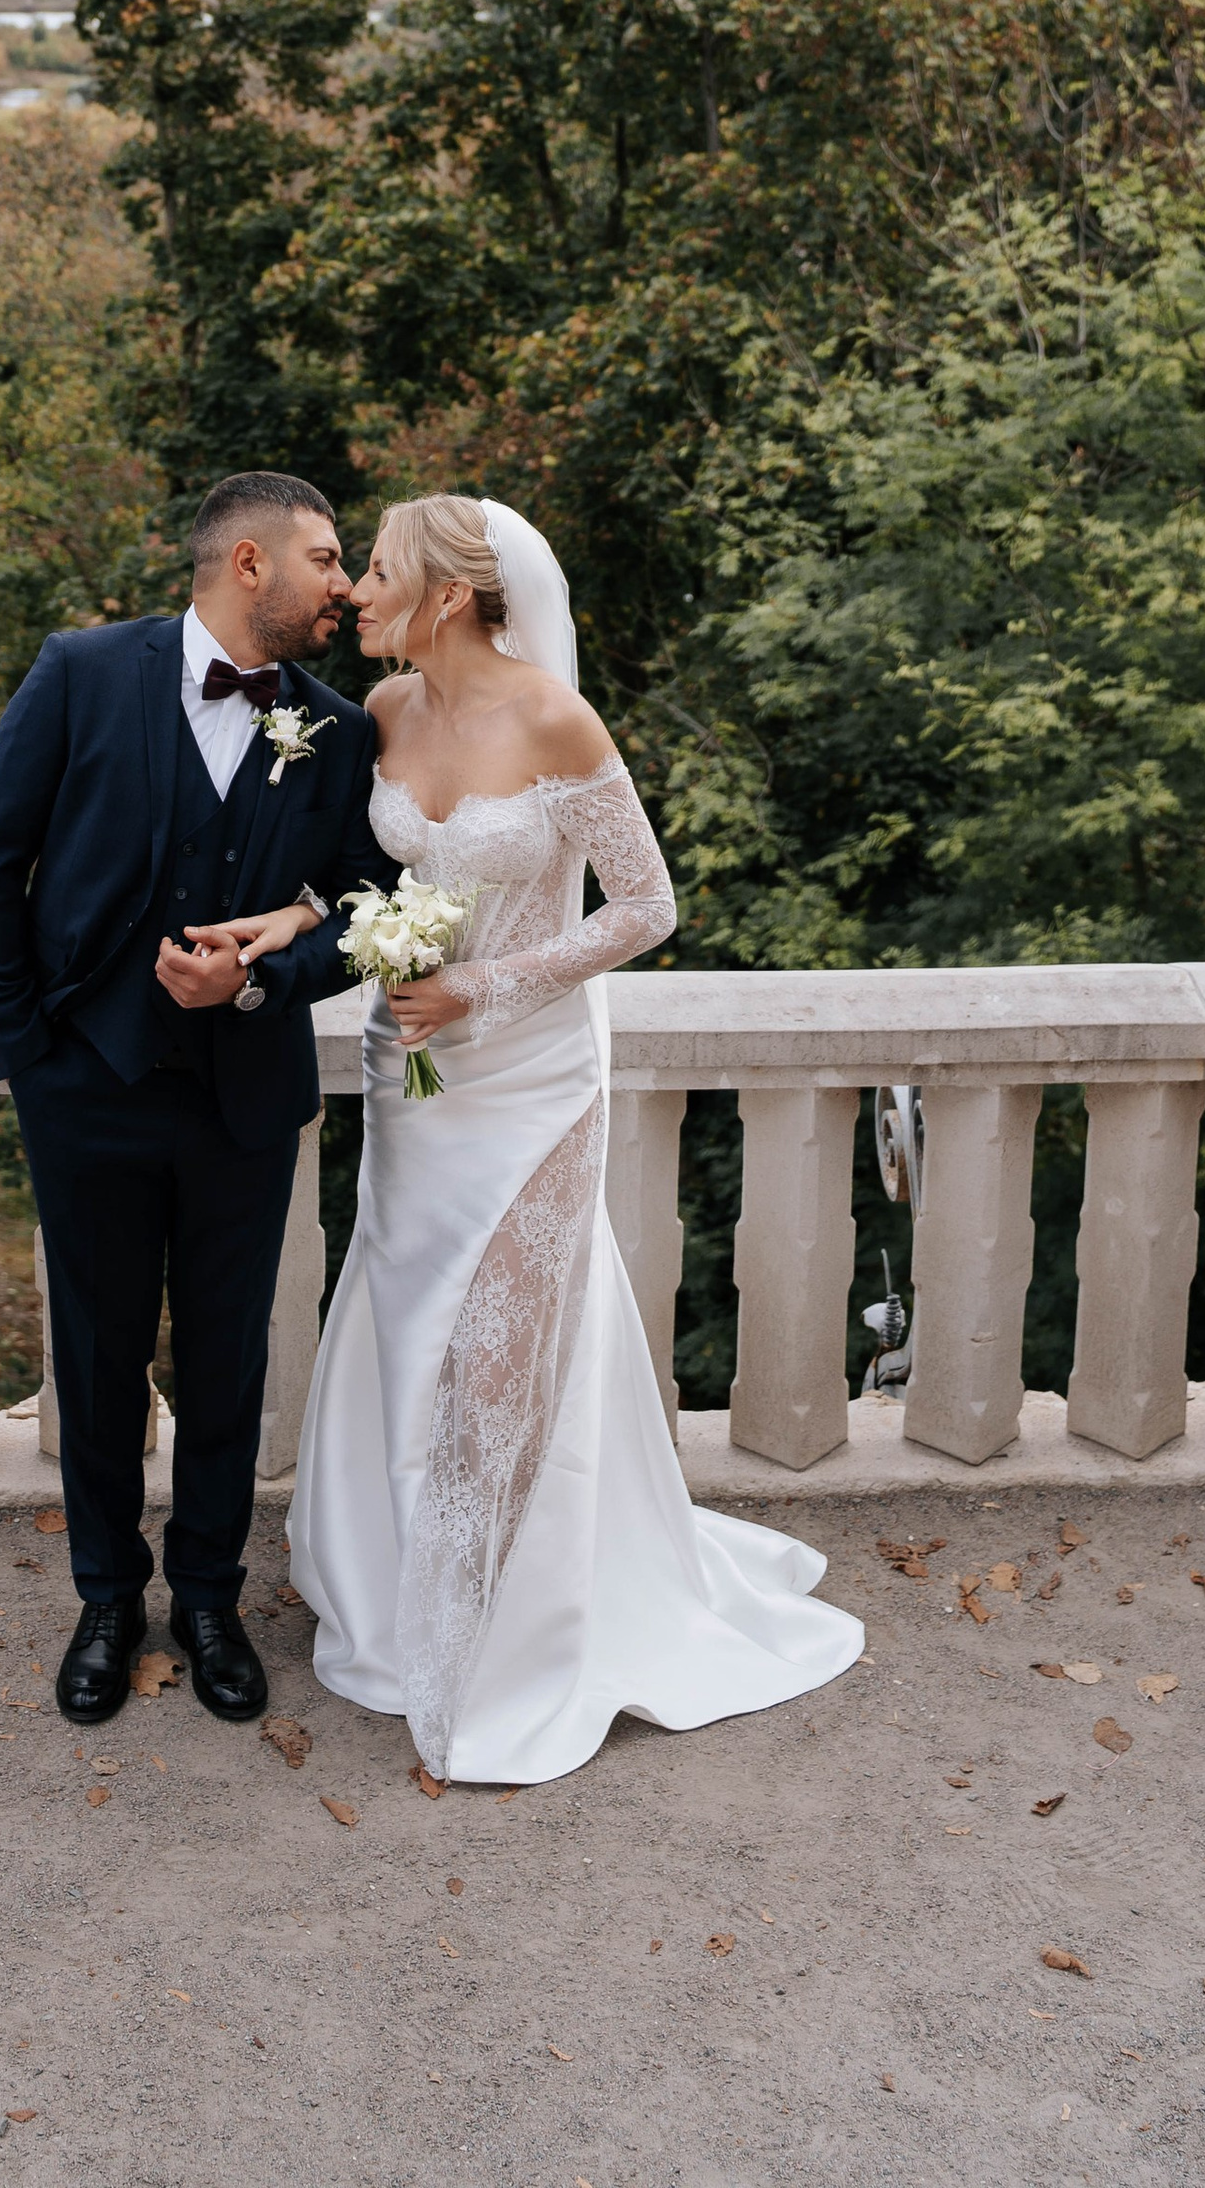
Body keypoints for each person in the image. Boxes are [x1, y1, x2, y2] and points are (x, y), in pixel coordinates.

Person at [259, 492, 863, 1786]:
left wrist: (485, 986)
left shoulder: (552, 716)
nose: (355, 590)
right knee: (409, 1328)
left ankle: (506, 1634)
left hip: (527, 1076)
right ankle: (398, 1582)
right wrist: (290, 939)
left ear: (449, 597)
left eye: (378, 569)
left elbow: (647, 904)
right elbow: (349, 880)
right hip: (412, 1076)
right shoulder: (382, 716)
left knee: (501, 1350)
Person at [0, 472, 384, 1729]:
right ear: (248, 565)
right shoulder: (83, 672)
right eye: (325, 557)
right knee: (93, 1356)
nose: (344, 585)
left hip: (244, 1098)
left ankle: (207, 1595)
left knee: (228, 1355)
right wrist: (26, 1056)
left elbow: (362, 907)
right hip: (85, 1084)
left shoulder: (338, 729)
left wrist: (262, 982)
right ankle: (106, 1598)